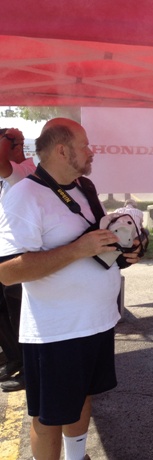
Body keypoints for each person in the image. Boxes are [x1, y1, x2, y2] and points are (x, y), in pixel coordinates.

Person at [0, 117, 142, 460]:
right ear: (62, 150)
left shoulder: (84, 186)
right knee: (48, 417)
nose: (92, 152)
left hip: (96, 321)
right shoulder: (24, 195)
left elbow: (96, 245)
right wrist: (77, 249)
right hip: (56, 332)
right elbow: (7, 272)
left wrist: (125, 252)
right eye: (85, 145)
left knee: (81, 398)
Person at [0, 127, 36, 392]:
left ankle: (29, 370)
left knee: (19, 315)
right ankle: (14, 359)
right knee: (3, 314)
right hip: (3, 252)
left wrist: (9, 138)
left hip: (17, 254)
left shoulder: (25, 170)